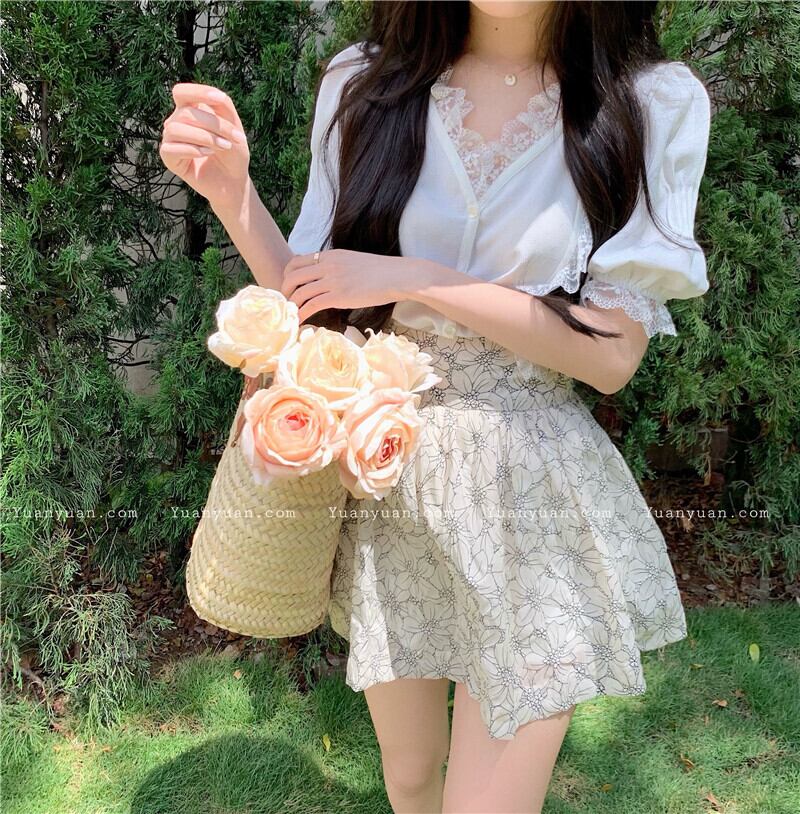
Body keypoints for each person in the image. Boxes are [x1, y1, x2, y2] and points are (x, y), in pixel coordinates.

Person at [160, 1, 711, 811]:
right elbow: (319, 299)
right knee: (412, 774)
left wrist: (418, 279)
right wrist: (230, 192)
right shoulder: (366, 82)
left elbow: (610, 355)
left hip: (530, 498)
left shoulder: (648, 100)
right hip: (388, 471)